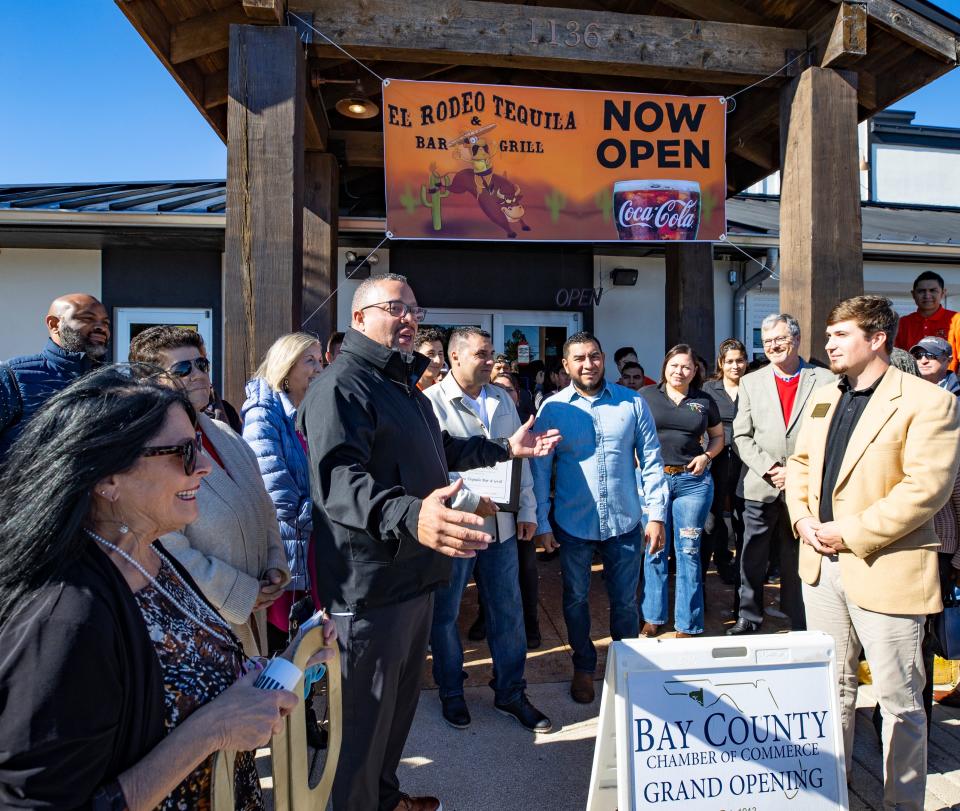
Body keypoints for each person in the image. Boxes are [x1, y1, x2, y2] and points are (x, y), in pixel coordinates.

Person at [0, 367, 336, 808]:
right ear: (106, 479)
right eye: (181, 452)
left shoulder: (150, 553)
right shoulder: (63, 616)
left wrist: (286, 666)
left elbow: (183, 675)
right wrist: (213, 729)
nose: (204, 466)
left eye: (196, 446)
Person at [298, 273, 560, 811]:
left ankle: (386, 798)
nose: (408, 318)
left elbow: (438, 448)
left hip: (415, 576)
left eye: (414, 309)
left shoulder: (404, 389)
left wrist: (503, 449)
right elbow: (338, 481)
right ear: (358, 319)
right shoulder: (341, 386)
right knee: (361, 731)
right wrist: (411, 513)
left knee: (395, 716)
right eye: (394, 308)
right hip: (369, 588)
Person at [787, 295, 960, 810]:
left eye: (840, 335)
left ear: (877, 338)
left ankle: (901, 805)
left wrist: (849, 532)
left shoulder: (929, 402)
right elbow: (797, 462)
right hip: (820, 567)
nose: (828, 344)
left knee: (900, 702)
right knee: (830, 694)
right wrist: (801, 519)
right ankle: (832, 798)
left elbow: (924, 489)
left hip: (887, 568)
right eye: (829, 335)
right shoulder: (823, 395)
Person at [129, 326, 290, 656]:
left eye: (202, 364)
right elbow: (163, 546)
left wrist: (273, 563)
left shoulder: (224, 433)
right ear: (149, 381)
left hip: (252, 611)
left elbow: (263, 506)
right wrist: (239, 592)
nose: (198, 374)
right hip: (197, 624)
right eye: (183, 369)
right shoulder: (148, 449)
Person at [425, 327, 550, 732]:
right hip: (457, 527)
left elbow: (520, 458)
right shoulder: (430, 403)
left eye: (493, 353)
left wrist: (529, 509)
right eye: (482, 353)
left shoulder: (501, 398)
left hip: (502, 526)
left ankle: (511, 692)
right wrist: (466, 502)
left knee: (507, 610)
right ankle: (452, 692)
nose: (492, 360)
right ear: (455, 357)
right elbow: (431, 472)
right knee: (445, 615)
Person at [532, 332, 668, 703]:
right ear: (565, 365)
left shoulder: (632, 403)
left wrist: (656, 514)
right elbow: (541, 472)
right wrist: (542, 524)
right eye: (578, 358)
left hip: (625, 521)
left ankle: (625, 668)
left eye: (593, 356)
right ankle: (584, 665)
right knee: (575, 598)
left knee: (625, 601)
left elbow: (653, 461)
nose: (587, 364)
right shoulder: (553, 409)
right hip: (573, 523)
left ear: (603, 358)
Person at [727, 314, 835, 636]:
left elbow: (828, 432)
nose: (773, 345)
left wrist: (798, 471)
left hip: (804, 485)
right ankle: (748, 616)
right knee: (752, 556)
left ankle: (798, 615)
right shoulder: (751, 381)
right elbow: (741, 436)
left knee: (796, 555)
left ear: (797, 339)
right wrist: (772, 469)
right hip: (761, 484)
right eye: (767, 339)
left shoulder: (826, 379)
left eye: (780, 338)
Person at [242, 332, 325, 652]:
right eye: (309, 360)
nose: (318, 368)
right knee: (286, 650)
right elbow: (273, 490)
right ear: (285, 366)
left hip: (318, 546)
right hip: (289, 550)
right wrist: (326, 513)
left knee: (314, 648)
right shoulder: (263, 412)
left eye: (320, 360)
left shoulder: (314, 411)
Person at [639, 344, 723, 638]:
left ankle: (687, 623)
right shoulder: (646, 396)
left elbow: (717, 437)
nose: (680, 371)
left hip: (692, 483)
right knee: (654, 549)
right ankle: (652, 616)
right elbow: (632, 434)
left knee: (688, 551)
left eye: (686, 367)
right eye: (674, 365)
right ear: (665, 367)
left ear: (695, 370)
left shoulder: (704, 401)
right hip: (654, 482)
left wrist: (707, 456)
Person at [0, 293, 110, 460]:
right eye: (88, 318)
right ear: (54, 324)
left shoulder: (115, 382)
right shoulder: (12, 377)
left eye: (105, 322)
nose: (101, 327)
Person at [701, 339, 748, 584]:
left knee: (743, 514)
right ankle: (718, 560)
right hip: (717, 458)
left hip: (746, 459)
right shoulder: (710, 389)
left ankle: (741, 568)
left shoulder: (754, 386)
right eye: (729, 361)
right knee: (714, 513)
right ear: (721, 363)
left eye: (739, 360)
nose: (735, 366)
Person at [894, 271, 958, 369]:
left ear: (943, 293)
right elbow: (895, 360)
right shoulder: (902, 323)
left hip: (948, 383)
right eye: (921, 291)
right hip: (911, 382)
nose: (927, 295)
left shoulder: (956, 320)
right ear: (913, 294)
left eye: (933, 290)